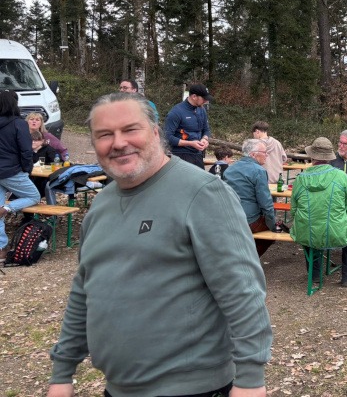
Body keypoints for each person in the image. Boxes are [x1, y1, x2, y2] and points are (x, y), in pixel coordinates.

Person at [47, 92, 271, 397]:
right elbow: (83, 291)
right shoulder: (101, 206)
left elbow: (243, 292)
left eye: (130, 129)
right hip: (118, 389)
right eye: (104, 134)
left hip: (193, 389)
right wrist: (62, 372)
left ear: (155, 132)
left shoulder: (203, 192)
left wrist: (250, 379)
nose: (118, 142)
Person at [290, 137, 347, 287]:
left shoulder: (300, 179)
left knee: (309, 230)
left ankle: (314, 275)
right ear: (330, 157)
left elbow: (293, 209)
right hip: (335, 230)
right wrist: (343, 218)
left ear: (312, 156)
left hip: (307, 231)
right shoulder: (341, 176)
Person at [0, 90, 43, 260]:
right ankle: (6, 209)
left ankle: (1, 248)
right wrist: (27, 169)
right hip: (11, 171)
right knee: (34, 196)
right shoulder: (19, 124)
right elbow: (26, 150)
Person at [224, 139, 278, 257]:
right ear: (253, 154)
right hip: (249, 220)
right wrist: (273, 225)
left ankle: (242, 256)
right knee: (272, 235)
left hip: (229, 217)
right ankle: (249, 259)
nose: (267, 155)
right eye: (264, 152)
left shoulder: (230, 169)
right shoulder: (258, 171)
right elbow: (266, 203)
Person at [164, 83, 212, 168]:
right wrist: (190, 143)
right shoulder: (176, 112)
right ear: (194, 96)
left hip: (198, 154)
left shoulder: (202, 110)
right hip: (181, 155)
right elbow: (167, 137)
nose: (205, 101)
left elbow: (206, 129)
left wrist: (204, 139)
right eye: (203, 98)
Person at [30, 130, 59, 197]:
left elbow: (57, 162)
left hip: (44, 177)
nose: (33, 142)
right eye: (31, 140)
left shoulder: (49, 150)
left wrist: (44, 165)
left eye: (36, 140)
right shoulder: (27, 150)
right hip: (31, 174)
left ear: (42, 141)